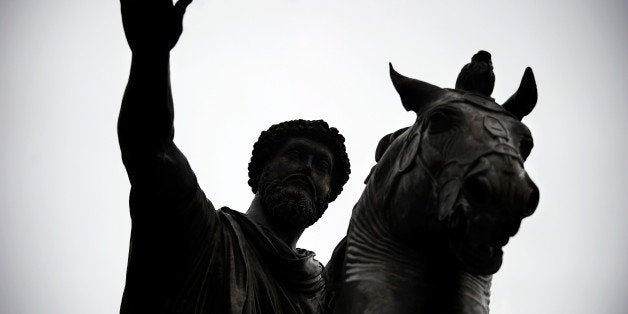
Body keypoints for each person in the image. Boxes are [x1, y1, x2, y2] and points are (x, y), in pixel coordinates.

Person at [117, 0, 351, 313]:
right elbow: (151, 148)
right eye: (296, 154)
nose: (308, 168)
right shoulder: (199, 231)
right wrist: (151, 53)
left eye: (322, 166)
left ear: (329, 196)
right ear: (261, 170)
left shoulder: (325, 297)